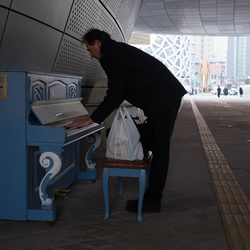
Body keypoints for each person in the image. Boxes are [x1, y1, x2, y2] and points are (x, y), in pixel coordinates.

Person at [66, 29, 187, 212]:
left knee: (161, 150)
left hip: (164, 100)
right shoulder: (114, 52)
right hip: (162, 100)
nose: (90, 56)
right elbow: (117, 91)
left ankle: (153, 200)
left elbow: (115, 94)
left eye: (90, 50)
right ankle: (150, 192)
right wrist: (92, 117)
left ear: (98, 42)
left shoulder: (116, 54)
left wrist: (92, 118)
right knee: (152, 143)